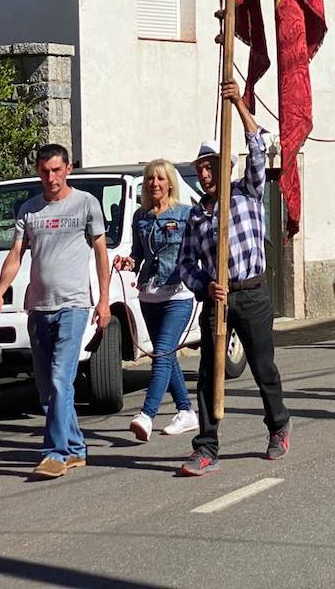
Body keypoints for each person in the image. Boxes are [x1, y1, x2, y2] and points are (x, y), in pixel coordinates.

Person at [175, 82, 289, 476]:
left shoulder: (247, 192)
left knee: (262, 367)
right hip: (218, 300)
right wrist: (204, 285)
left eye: (211, 166)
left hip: (252, 294)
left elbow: (258, 145)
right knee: (209, 372)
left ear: (226, 166)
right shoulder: (197, 215)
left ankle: (278, 426)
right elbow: (186, 264)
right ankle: (205, 446)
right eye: (200, 168)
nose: (205, 174)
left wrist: (239, 103)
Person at [0, 144, 111, 480]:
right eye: (44, 171)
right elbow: (15, 254)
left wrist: (103, 300)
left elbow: (101, 254)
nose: (50, 177)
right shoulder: (29, 209)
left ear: (68, 169)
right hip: (38, 307)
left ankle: (54, 453)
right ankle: (75, 448)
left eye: (56, 170)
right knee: (47, 386)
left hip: (73, 305)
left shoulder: (86, 204)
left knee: (60, 378)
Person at [115, 160, 199, 443]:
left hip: (178, 293)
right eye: (150, 179)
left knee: (161, 352)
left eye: (160, 179)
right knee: (167, 354)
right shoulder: (141, 216)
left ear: (170, 183)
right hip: (149, 295)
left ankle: (147, 415)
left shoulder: (186, 214)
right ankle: (186, 411)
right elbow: (139, 255)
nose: (155, 184)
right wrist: (128, 262)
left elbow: (201, 247)